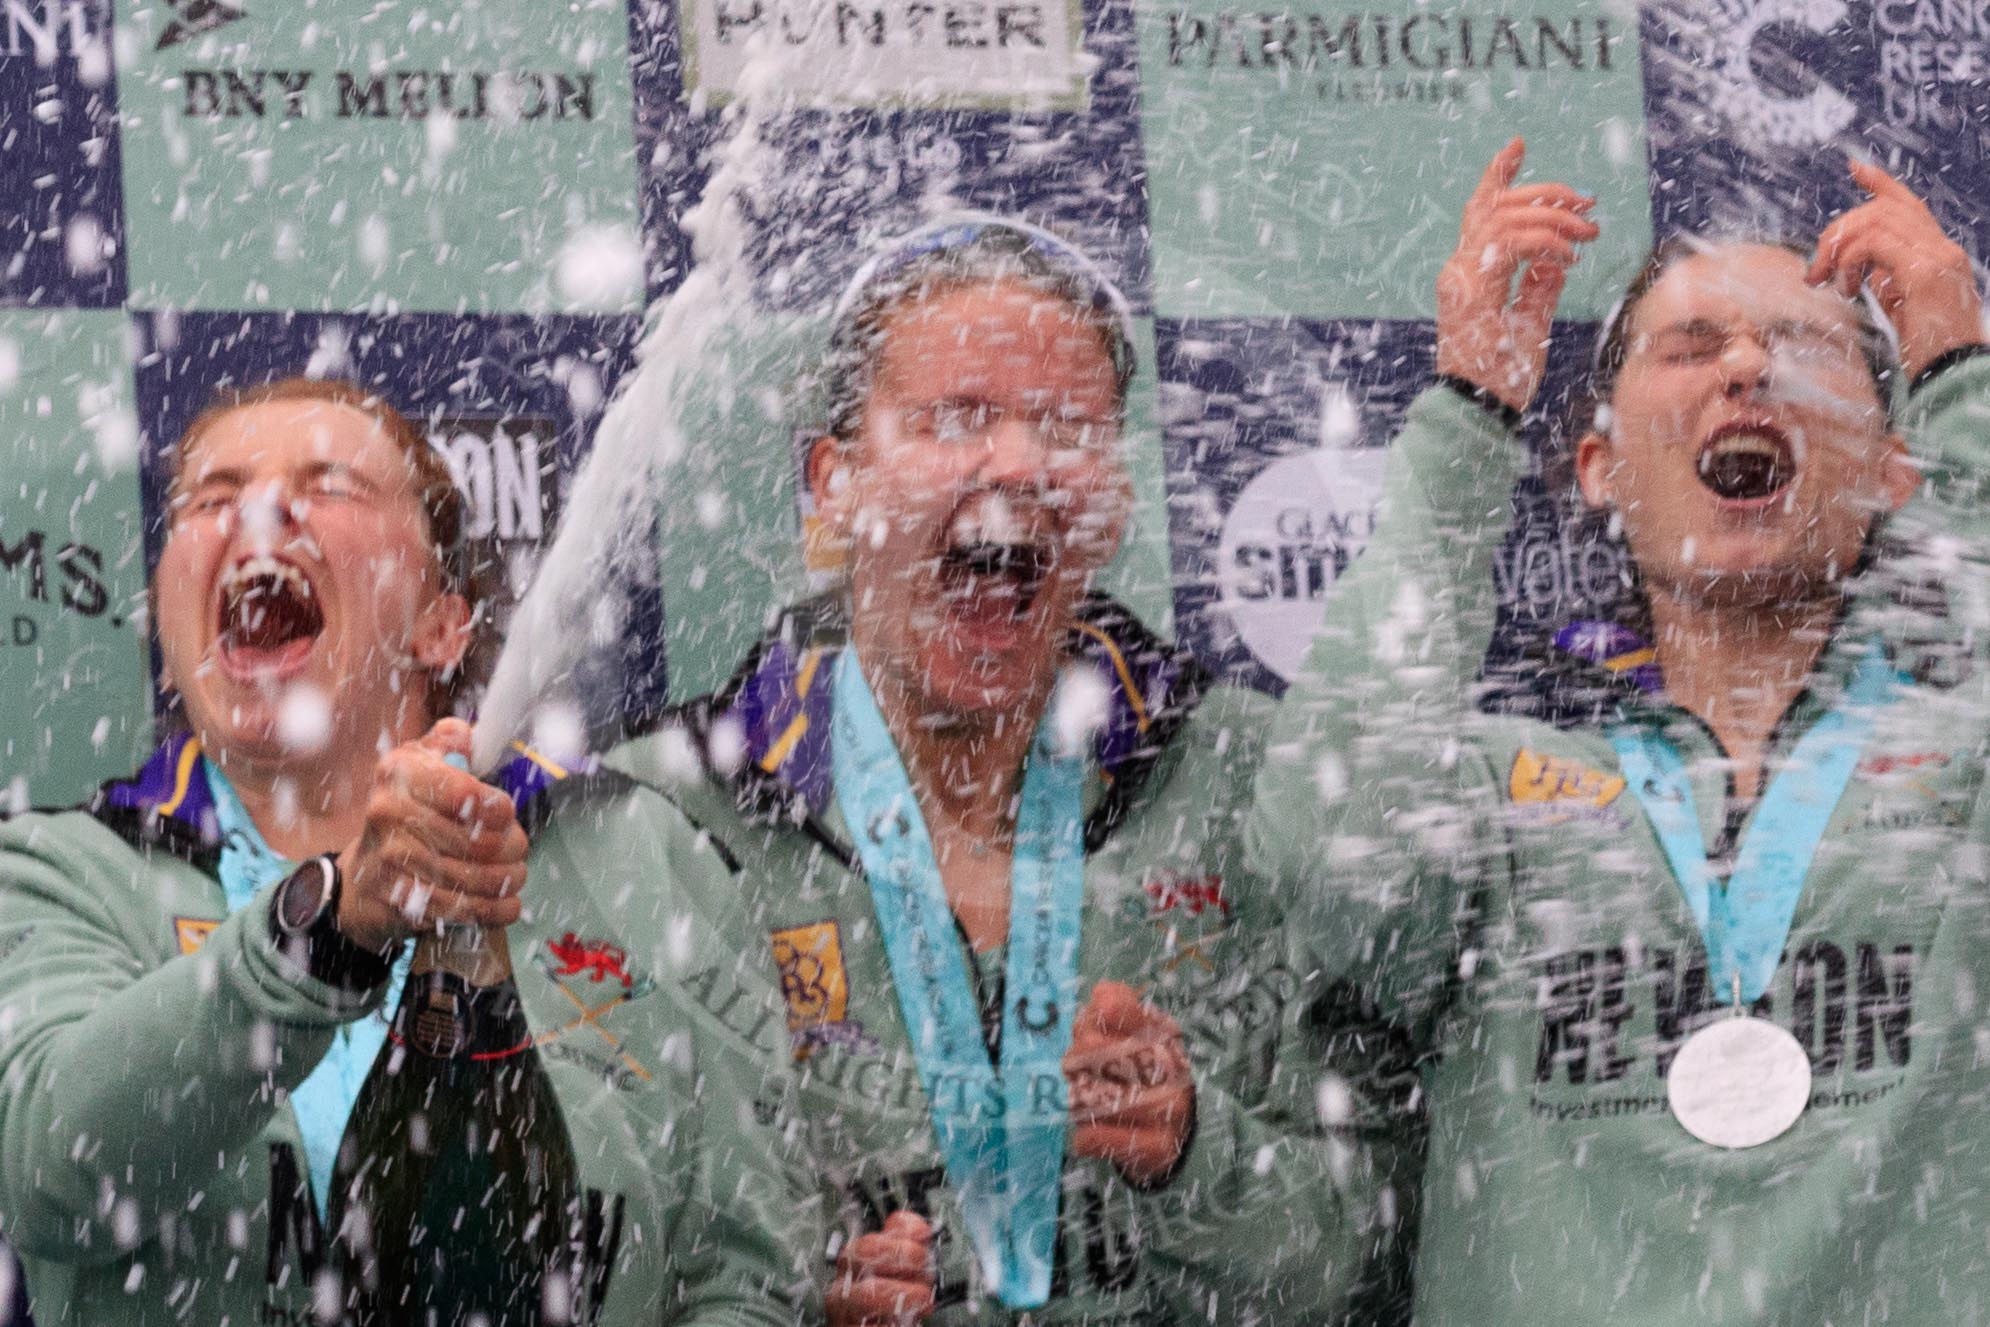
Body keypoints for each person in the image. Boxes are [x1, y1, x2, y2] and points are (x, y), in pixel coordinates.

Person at [520, 215, 1395, 1325]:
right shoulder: (657, 818)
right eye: (957, 418)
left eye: (1069, 426)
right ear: (833, 485)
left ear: (1117, 499)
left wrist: (1192, 1153)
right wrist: (786, 1301)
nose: (1020, 462)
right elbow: (607, 1251)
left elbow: (1355, 1268)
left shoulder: (1247, 779)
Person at [1252, 138, 1990, 1321]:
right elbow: (1330, 862)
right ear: (1597, 469)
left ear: (1894, 470)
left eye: (1799, 345)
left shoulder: (1965, 774)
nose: (1746, 367)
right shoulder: (1494, 798)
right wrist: (1470, 411)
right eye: (1690, 348)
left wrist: (1960, 376)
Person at [0, 377, 795, 1324]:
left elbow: (748, 1272)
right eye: (213, 498)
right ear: (169, 638)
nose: (261, 508)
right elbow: (51, 1175)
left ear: (441, 623)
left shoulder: (636, 847)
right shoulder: (61, 867)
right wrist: (328, 925)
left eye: (330, 485)